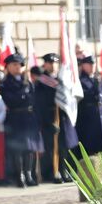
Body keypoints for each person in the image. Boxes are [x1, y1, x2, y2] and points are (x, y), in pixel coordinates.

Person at [35, 53, 77, 183]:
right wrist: (47, 122)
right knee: (52, 148)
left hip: (62, 117)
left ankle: (64, 170)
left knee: (64, 147)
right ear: (45, 64)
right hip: (50, 117)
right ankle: (54, 172)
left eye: (55, 63)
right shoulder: (41, 82)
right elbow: (39, 104)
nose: (53, 65)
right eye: (50, 63)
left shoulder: (62, 79)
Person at [0, 54, 40, 188]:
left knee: (29, 148)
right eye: (14, 65)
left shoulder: (27, 81)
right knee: (18, 149)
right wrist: (23, 92)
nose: (18, 67)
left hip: (28, 117)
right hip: (15, 118)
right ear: (8, 67)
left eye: (20, 65)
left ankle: (29, 174)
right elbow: (10, 100)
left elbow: (33, 99)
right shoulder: (5, 83)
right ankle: (20, 175)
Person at [76, 56, 102, 158]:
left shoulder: (98, 79)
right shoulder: (80, 81)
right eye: (89, 64)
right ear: (83, 65)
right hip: (88, 117)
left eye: (93, 64)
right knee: (91, 146)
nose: (92, 66)